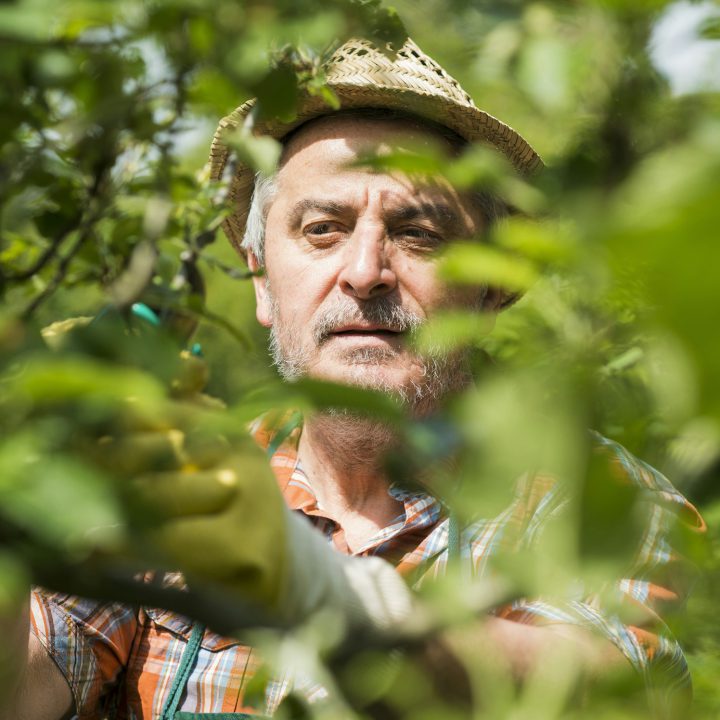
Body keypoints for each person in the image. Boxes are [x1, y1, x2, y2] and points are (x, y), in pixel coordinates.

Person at [5, 37, 704, 719]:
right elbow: (22, 690)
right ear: (259, 277)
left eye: (418, 233)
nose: (366, 271)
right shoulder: (164, 486)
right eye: (321, 230)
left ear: (492, 290)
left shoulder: (601, 502)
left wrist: (302, 583)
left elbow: (595, 689)